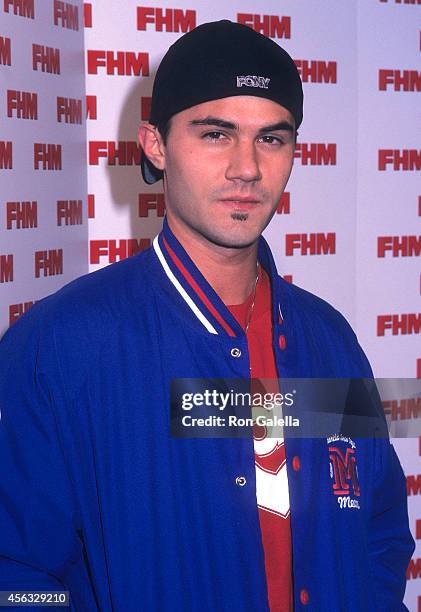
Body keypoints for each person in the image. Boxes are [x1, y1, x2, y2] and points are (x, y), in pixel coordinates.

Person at [0, 20, 414, 612]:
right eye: (217, 134)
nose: (247, 168)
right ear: (155, 146)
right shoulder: (60, 348)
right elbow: (16, 574)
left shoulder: (328, 339)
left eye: (271, 139)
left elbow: (378, 530)